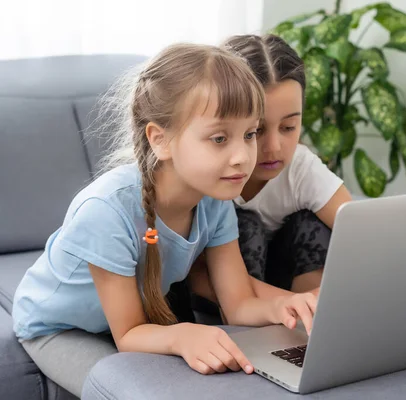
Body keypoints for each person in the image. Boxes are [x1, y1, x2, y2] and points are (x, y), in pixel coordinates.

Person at [11, 43, 316, 398]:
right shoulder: (106, 212)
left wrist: (282, 306)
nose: (242, 157)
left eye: (249, 134)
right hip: (59, 329)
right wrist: (183, 334)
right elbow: (128, 334)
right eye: (220, 138)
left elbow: (238, 304)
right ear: (160, 140)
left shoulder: (215, 201)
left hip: (126, 324)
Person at [187, 34, 353, 320]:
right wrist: (291, 303)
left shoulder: (300, 168)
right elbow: (195, 274)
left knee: (312, 224)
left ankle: (306, 332)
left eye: (289, 127)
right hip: (219, 293)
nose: (274, 148)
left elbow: (365, 235)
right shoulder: (202, 173)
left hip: (281, 287)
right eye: (257, 131)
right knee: (245, 227)